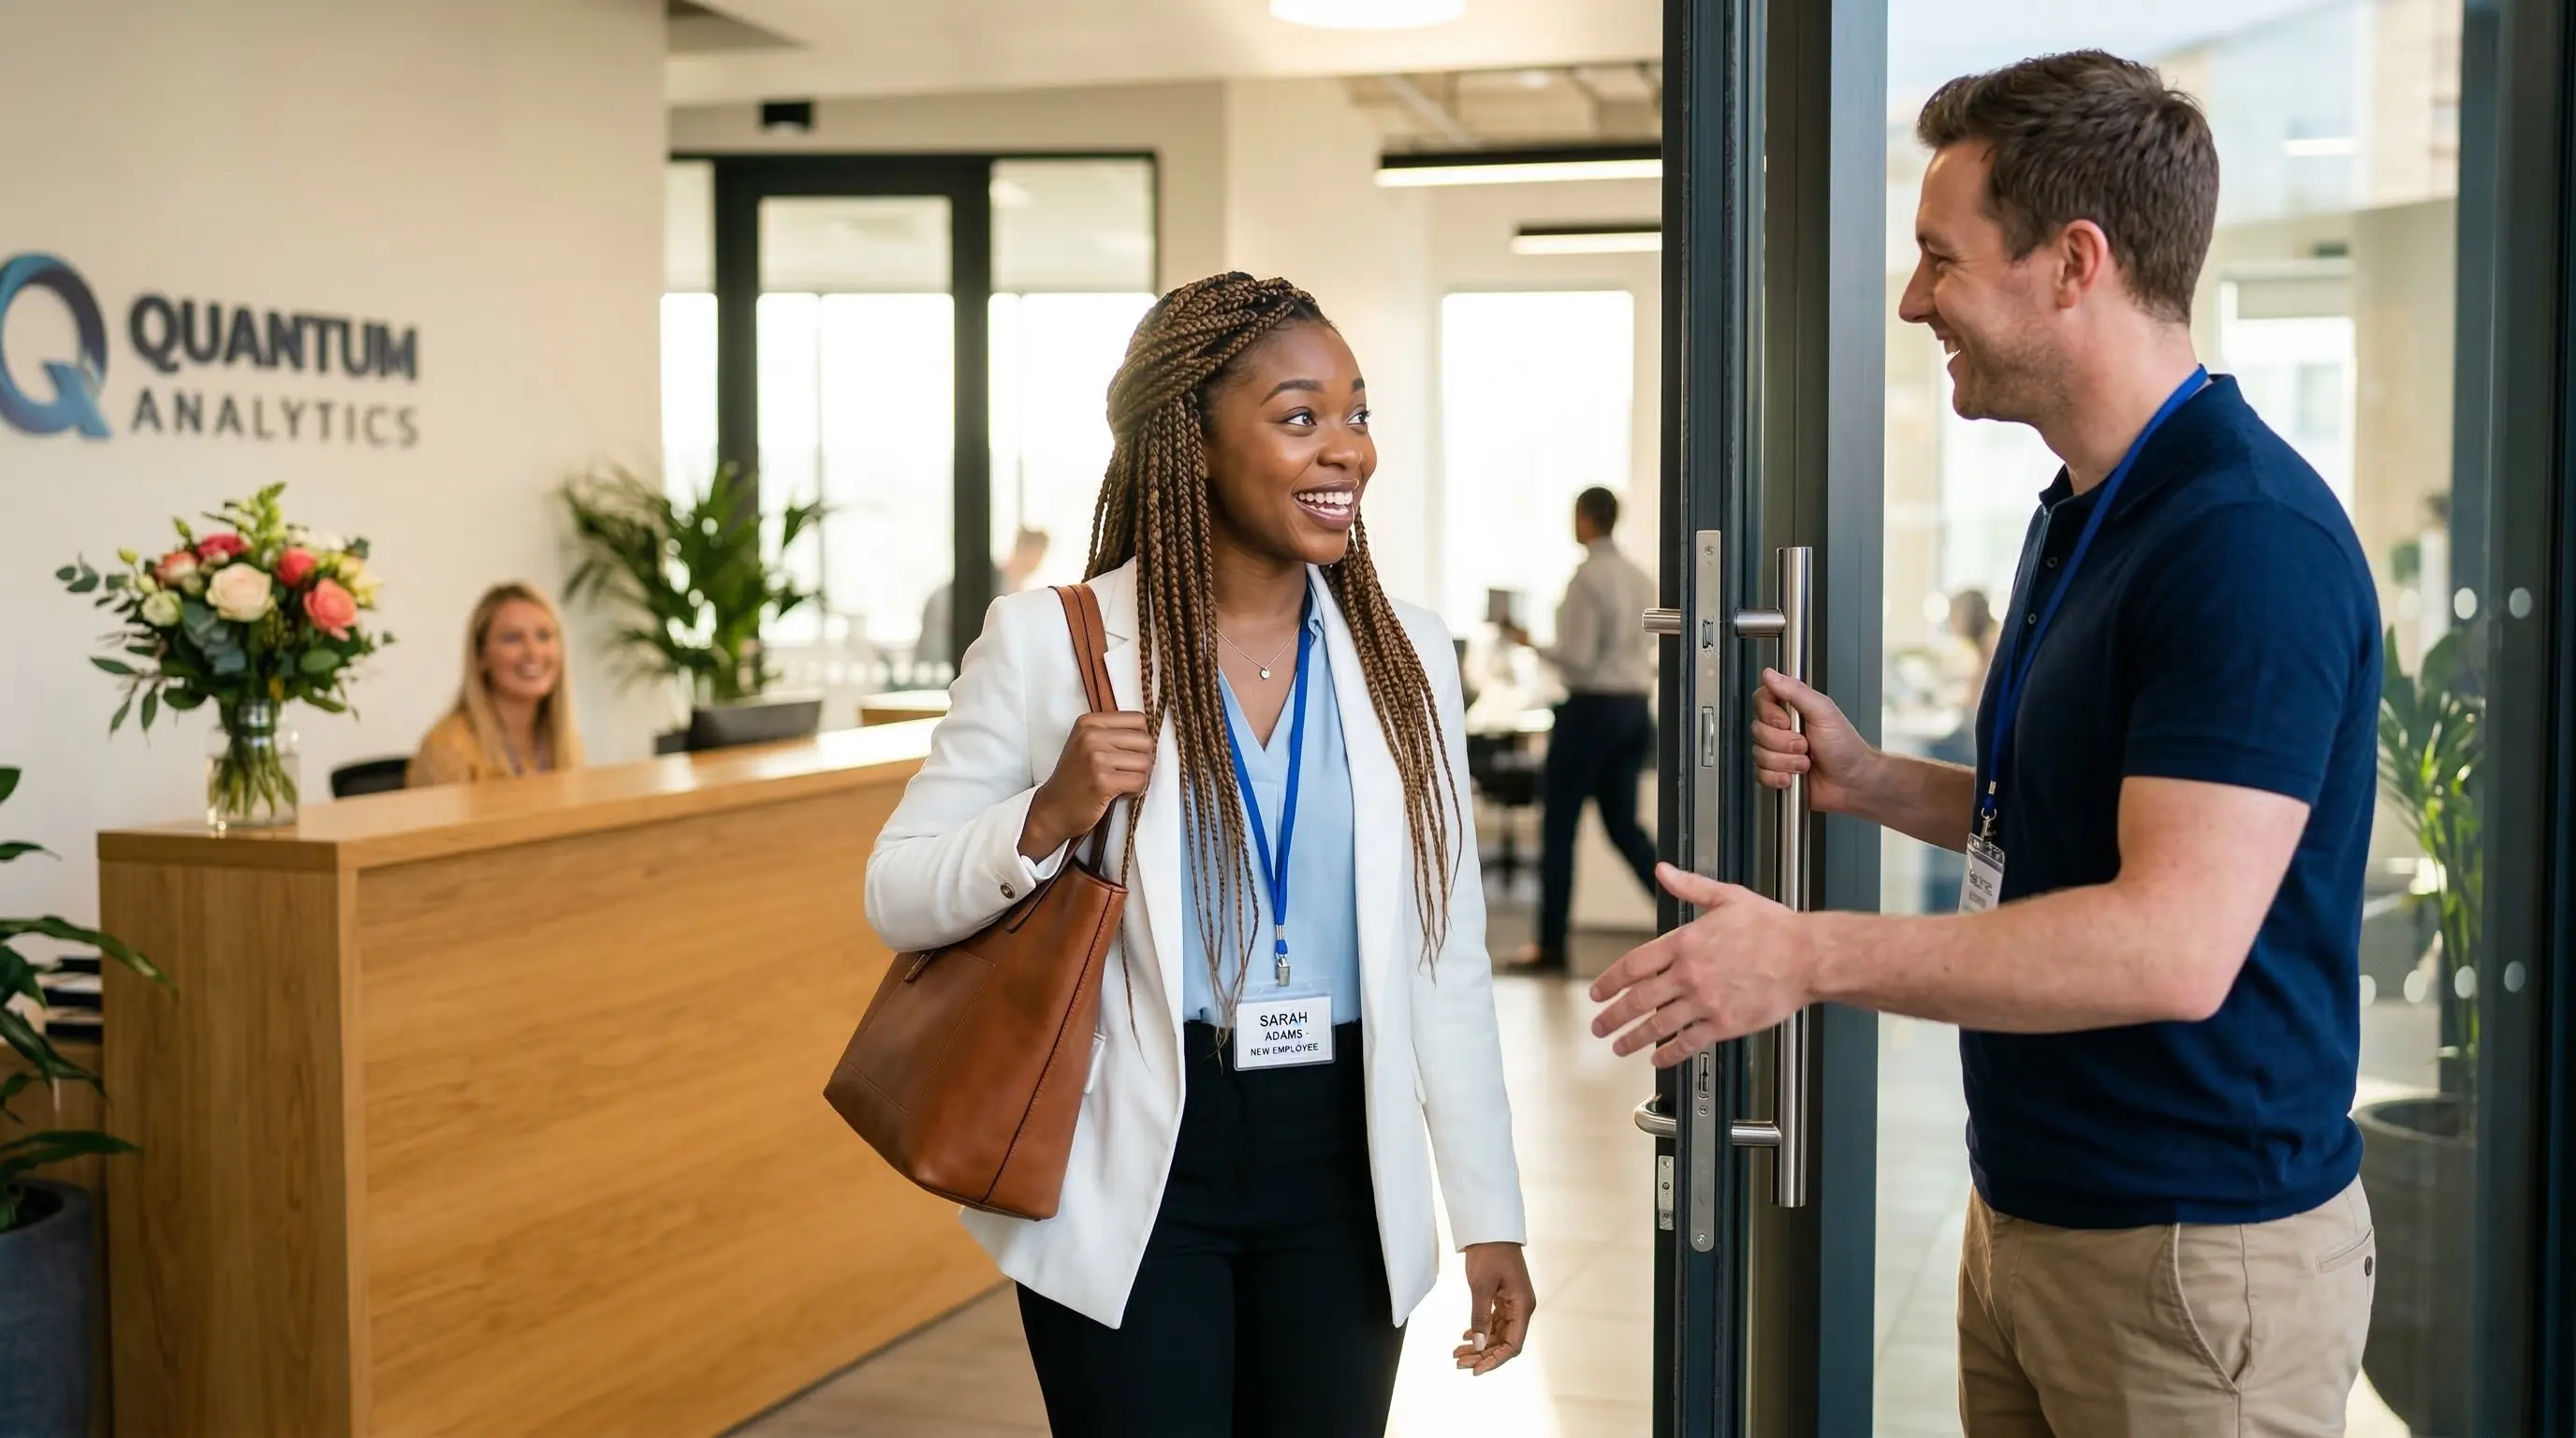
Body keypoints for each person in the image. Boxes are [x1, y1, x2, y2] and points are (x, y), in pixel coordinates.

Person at [1591, 52, 2381, 1435]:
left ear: (2072, 262)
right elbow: (2084, 816)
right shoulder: (2086, 508)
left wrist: (1805, 953)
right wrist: (1876, 782)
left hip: (2190, 1263)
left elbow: (2169, 943)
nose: (1913, 301)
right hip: (2035, 1220)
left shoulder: (2243, 540)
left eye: (1940, 261)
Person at [866, 273, 1534, 1436]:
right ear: (1193, 443)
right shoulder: (1051, 644)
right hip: (1133, 1158)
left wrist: (1489, 1214)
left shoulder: (1407, 655)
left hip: (1342, 1158)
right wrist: (1045, 815)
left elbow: (1445, 956)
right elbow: (897, 891)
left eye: (1358, 414)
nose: (1347, 452)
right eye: (1298, 417)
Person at [1499, 486, 1659, 974]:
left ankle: (1550, 947)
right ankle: (1687, 919)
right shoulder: (1639, 578)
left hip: (1590, 714)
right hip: (1634, 711)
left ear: (1587, 519)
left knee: (1559, 830)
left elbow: (1579, 659)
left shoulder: (1586, 579)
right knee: (1625, 829)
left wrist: (1527, 643)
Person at [408, 581, 587, 786]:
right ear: (481, 657)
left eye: (544, 636)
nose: (534, 652)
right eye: (512, 638)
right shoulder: (447, 749)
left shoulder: (567, 744)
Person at [915, 526, 1049, 670]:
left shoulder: (1013, 588)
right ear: (1028, 550)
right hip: (942, 663)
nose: (1039, 562)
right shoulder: (991, 584)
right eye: (1039, 554)